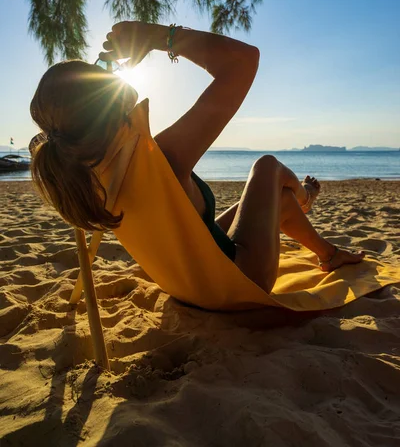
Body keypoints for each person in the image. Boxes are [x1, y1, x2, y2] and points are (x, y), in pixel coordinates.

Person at [30, 21, 364, 294]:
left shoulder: (88, 176)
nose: (110, 72)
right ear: (99, 104)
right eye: (99, 73)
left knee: (281, 202)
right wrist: (157, 36)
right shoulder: (159, 160)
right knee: (267, 167)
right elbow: (244, 60)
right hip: (239, 281)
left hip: (189, 284)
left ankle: (328, 253)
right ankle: (307, 197)